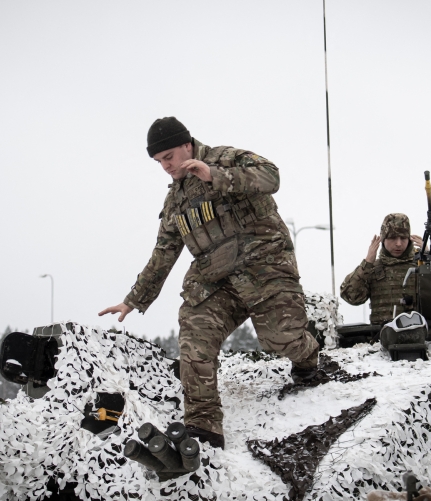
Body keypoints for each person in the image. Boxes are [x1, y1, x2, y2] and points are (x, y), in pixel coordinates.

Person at [99, 117, 320, 449]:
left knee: (280, 340)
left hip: (265, 265)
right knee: (194, 334)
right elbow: (164, 252)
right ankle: (204, 427)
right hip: (219, 281)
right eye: (159, 161)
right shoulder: (175, 201)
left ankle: (308, 353)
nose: (165, 166)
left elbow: (271, 176)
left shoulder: (225, 158)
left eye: (169, 156)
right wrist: (133, 300)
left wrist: (216, 176)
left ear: (187, 145)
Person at [340, 213, 423, 324]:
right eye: (392, 238)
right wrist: (367, 263)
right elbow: (350, 296)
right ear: (383, 239)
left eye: (403, 238)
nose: (398, 243)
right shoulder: (372, 269)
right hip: (382, 337)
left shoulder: (421, 266)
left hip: (421, 336)